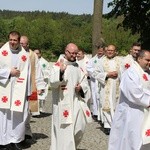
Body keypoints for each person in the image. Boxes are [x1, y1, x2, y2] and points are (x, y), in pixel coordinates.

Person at [50, 43, 92, 150]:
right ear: (66, 52)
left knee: (79, 128)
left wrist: (81, 87)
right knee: (65, 134)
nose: (74, 55)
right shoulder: (57, 66)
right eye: (72, 53)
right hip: (62, 105)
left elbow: (85, 82)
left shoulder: (77, 66)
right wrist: (61, 72)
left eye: (75, 53)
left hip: (77, 103)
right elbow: (52, 82)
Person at [108, 50, 150, 150]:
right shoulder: (131, 73)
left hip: (144, 112)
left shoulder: (146, 72)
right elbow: (134, 93)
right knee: (131, 140)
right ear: (139, 59)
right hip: (132, 113)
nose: (149, 62)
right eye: (147, 60)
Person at [0, 31, 31, 150]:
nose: (12, 43)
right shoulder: (1, 52)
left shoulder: (24, 55)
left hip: (19, 89)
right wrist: (9, 72)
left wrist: (28, 93)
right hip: (4, 87)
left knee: (16, 115)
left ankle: (14, 140)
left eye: (15, 40)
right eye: (10, 40)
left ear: (19, 41)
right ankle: (2, 141)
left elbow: (27, 74)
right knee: (3, 116)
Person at [20, 36, 45, 140]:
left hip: (29, 86)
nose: (21, 45)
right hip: (17, 86)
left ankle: (26, 132)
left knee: (27, 110)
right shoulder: (14, 54)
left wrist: (40, 86)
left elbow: (38, 71)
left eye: (23, 43)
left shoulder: (33, 55)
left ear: (27, 44)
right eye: (20, 43)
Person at [92, 44, 121, 135]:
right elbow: (95, 74)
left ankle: (116, 126)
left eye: (112, 50)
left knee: (116, 106)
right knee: (106, 106)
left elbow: (125, 73)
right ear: (106, 51)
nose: (110, 52)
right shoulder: (101, 61)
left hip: (117, 87)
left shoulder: (120, 61)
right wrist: (107, 75)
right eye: (108, 50)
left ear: (115, 51)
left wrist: (118, 74)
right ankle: (108, 126)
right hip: (105, 87)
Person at [86, 45, 105, 121]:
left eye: (101, 51)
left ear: (104, 51)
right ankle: (95, 113)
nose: (100, 52)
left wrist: (101, 74)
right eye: (99, 51)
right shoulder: (92, 60)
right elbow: (89, 68)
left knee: (101, 96)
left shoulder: (105, 59)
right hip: (94, 81)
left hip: (102, 80)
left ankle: (102, 114)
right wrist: (95, 73)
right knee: (94, 96)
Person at [34, 49, 51, 113]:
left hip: (43, 81)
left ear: (40, 54)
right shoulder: (32, 60)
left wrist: (42, 72)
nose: (36, 54)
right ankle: (35, 110)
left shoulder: (44, 62)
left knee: (42, 96)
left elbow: (48, 71)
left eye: (37, 53)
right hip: (34, 80)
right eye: (35, 53)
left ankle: (41, 108)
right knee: (35, 96)